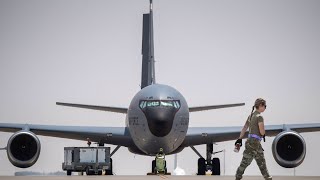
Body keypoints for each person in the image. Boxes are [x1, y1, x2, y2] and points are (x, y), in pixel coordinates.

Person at [235, 98, 272, 180]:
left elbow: (245, 127)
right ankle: (238, 176)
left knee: (261, 160)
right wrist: (263, 133)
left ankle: (267, 177)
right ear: (260, 106)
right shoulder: (259, 117)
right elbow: (262, 132)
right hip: (254, 142)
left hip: (252, 142)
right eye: (264, 106)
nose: (265, 108)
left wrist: (240, 138)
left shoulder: (251, 116)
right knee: (246, 161)